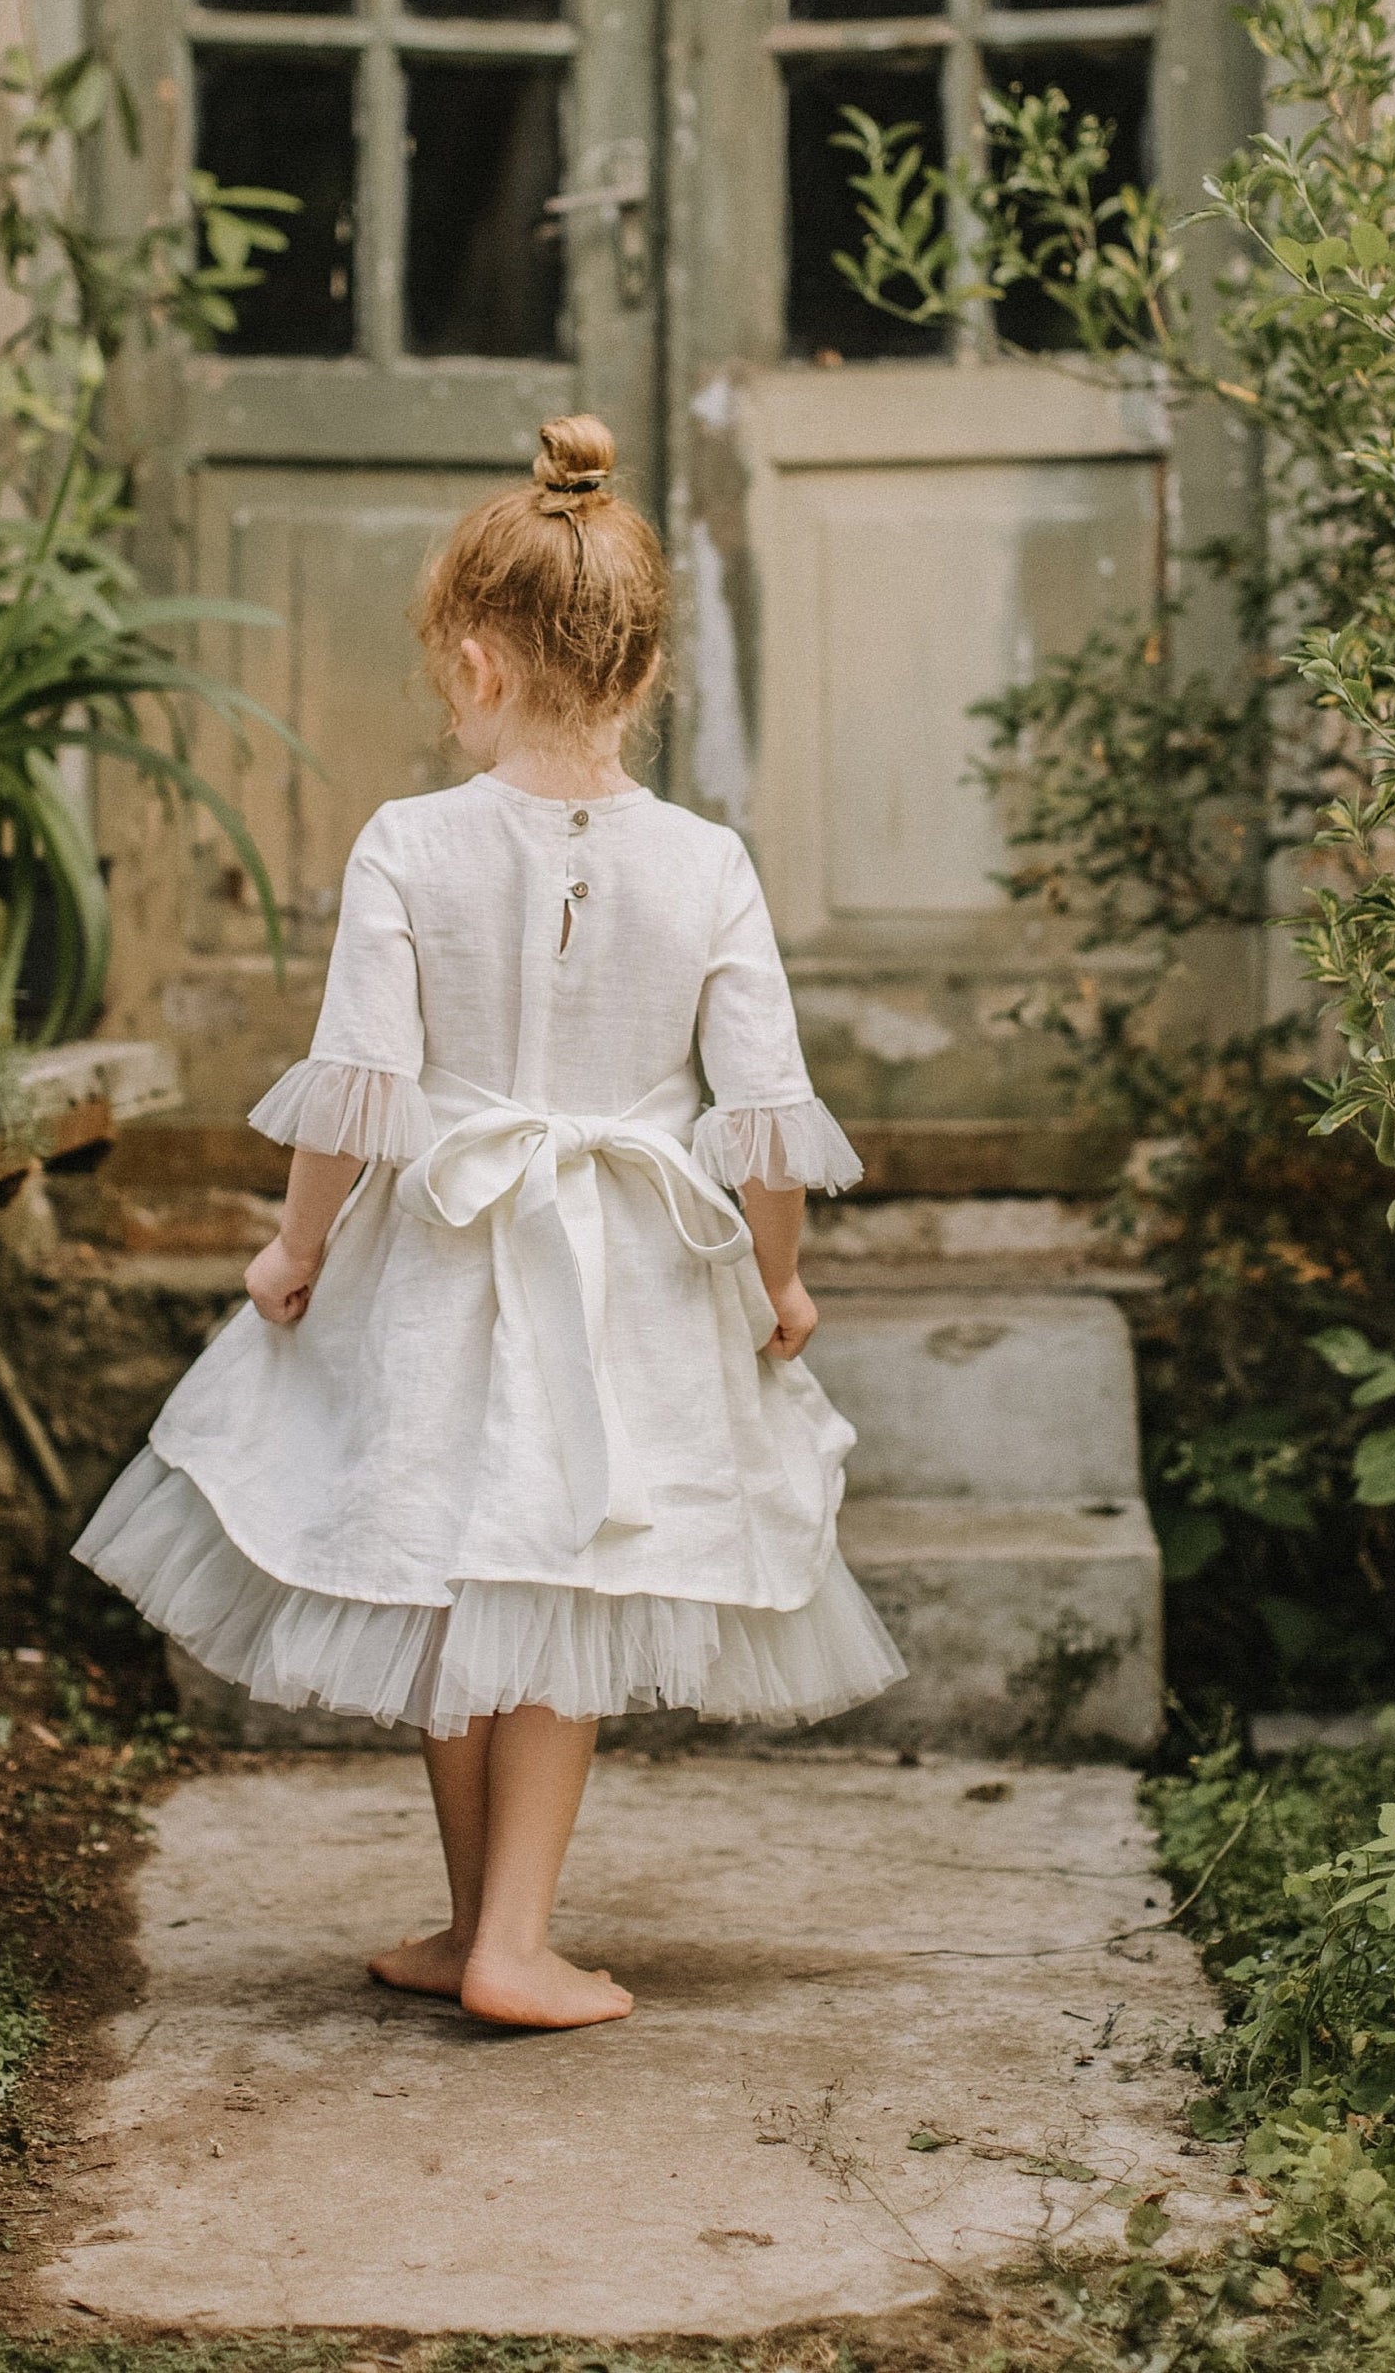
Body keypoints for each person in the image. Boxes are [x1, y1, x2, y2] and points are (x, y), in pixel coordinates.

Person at [73, 414, 905, 2030]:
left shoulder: (412, 842)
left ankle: (503, 1936)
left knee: (454, 1566)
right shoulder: (706, 861)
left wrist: (297, 1252)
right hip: (633, 1274)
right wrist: (779, 1288)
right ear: (646, 669)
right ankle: (485, 1932)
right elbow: (758, 1123)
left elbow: (361, 1085)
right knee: (530, 1579)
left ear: (470, 664)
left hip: (439, 1257)